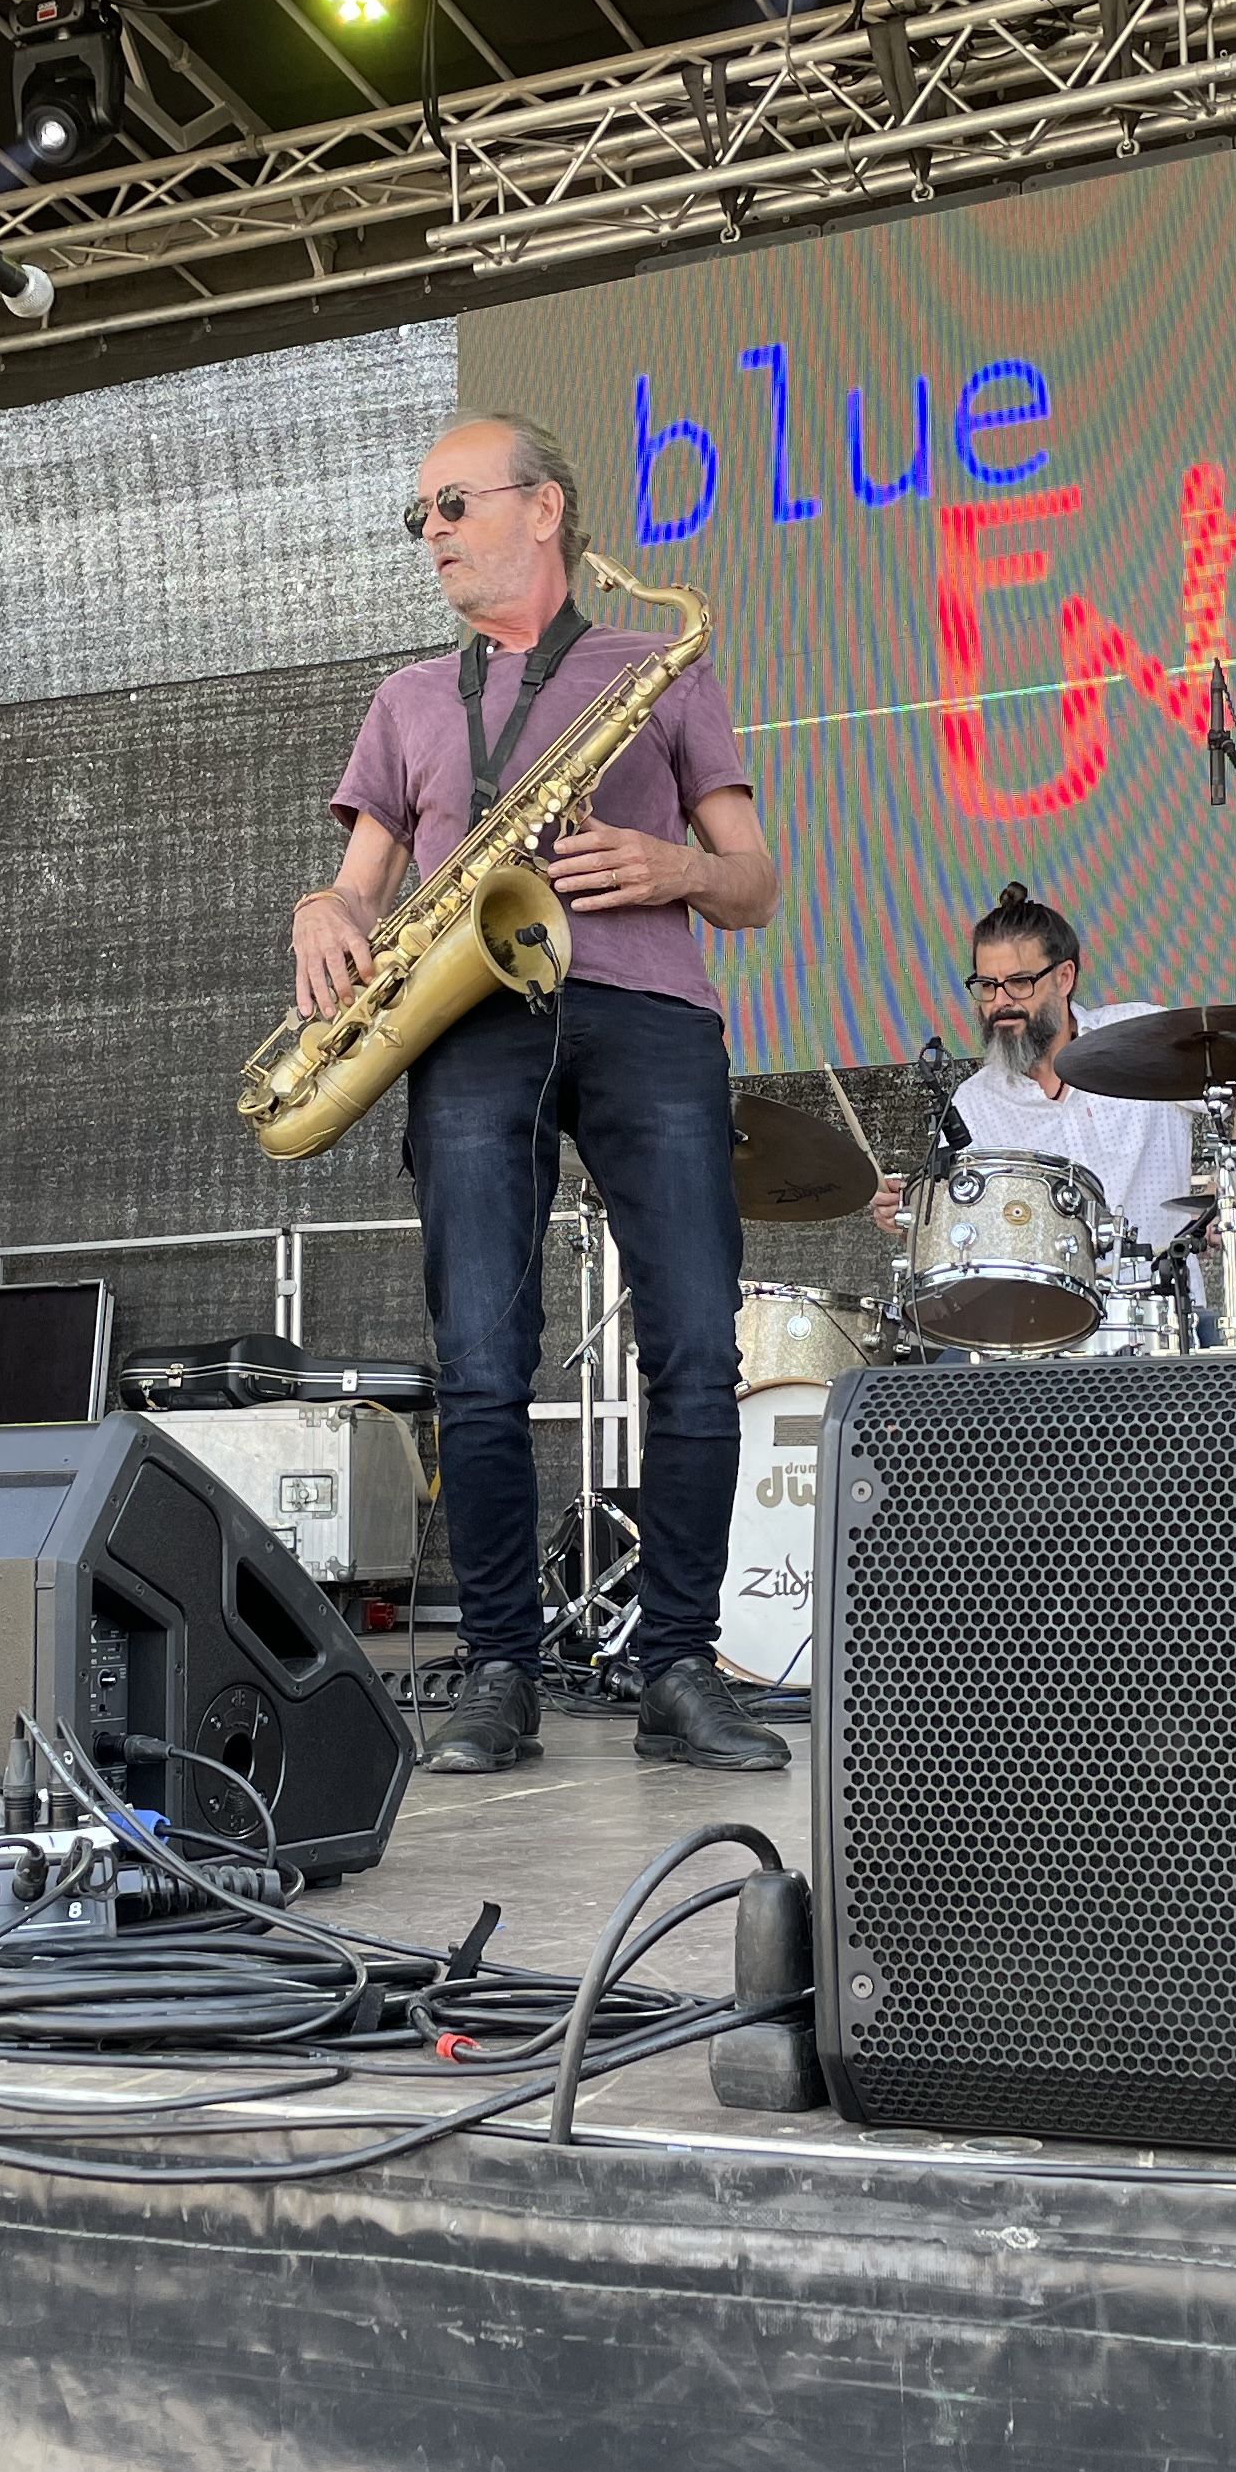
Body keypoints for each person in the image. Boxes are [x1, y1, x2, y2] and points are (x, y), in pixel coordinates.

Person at [292, 412, 784, 1775]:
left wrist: (674, 868)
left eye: (454, 504)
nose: (432, 532)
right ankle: (501, 1667)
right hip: (468, 1024)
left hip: (650, 1017)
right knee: (485, 1360)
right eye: (423, 517)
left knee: (695, 1345)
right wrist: (324, 911)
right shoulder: (405, 699)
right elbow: (361, 884)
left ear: (546, 508)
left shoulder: (655, 666)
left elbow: (753, 882)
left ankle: (680, 1667)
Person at [868, 884, 1202, 1258]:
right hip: (1044, 1314)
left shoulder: (1140, 1034)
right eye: (987, 986)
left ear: (1064, 978)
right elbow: (963, 1237)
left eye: (1019, 983)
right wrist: (911, 1221)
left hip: (1164, 1307)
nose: (1000, 1002)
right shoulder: (973, 1104)